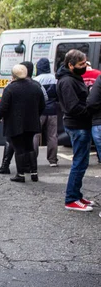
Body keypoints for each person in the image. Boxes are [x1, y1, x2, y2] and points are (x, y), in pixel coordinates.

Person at [56, 49, 95, 212]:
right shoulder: (67, 81)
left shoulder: (72, 78)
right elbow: (73, 106)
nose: (84, 66)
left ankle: (76, 195)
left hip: (79, 125)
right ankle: (71, 199)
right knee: (79, 162)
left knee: (82, 162)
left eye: (85, 63)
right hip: (77, 125)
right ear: (70, 65)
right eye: (81, 64)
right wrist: (91, 110)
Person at [0, 65, 45, 183]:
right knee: (30, 147)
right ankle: (34, 173)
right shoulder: (35, 87)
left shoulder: (11, 88)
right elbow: (42, 104)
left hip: (15, 123)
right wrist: (35, 115)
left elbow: (3, 107)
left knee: (19, 148)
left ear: (13, 75)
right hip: (32, 122)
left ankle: (20, 174)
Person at [33, 58, 59, 167]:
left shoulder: (36, 80)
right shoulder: (55, 79)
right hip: (53, 110)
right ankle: (52, 160)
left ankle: (33, 159)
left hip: (40, 111)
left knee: (35, 135)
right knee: (52, 135)